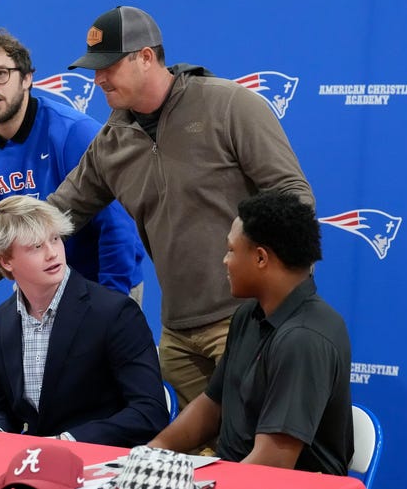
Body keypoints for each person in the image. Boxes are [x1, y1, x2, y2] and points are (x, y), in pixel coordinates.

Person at [0, 6, 314, 412]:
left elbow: (292, 194)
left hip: (245, 318)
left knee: (260, 456)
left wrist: (279, 296)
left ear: (145, 57)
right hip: (177, 335)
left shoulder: (229, 105)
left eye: (109, 66)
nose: (98, 78)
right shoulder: (113, 138)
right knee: (203, 456)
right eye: (93, 68)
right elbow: (55, 212)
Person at [0, 26, 145, 392]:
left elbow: (116, 226)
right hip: (34, 296)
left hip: (102, 284)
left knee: (101, 395)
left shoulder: (75, 133)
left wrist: (113, 312)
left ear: (27, 79)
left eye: (1, 73)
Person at [148, 191, 353, 475]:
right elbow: (212, 405)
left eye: (231, 250)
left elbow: (272, 465)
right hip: (235, 475)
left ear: (260, 258)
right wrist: (151, 453)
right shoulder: (248, 316)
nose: (225, 261)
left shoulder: (304, 338)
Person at [0, 195, 168, 447]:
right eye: (36, 246)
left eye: (55, 239)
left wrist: (66, 441)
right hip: (35, 466)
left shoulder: (115, 312)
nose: (52, 253)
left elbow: (149, 412)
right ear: (5, 260)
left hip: (101, 459)